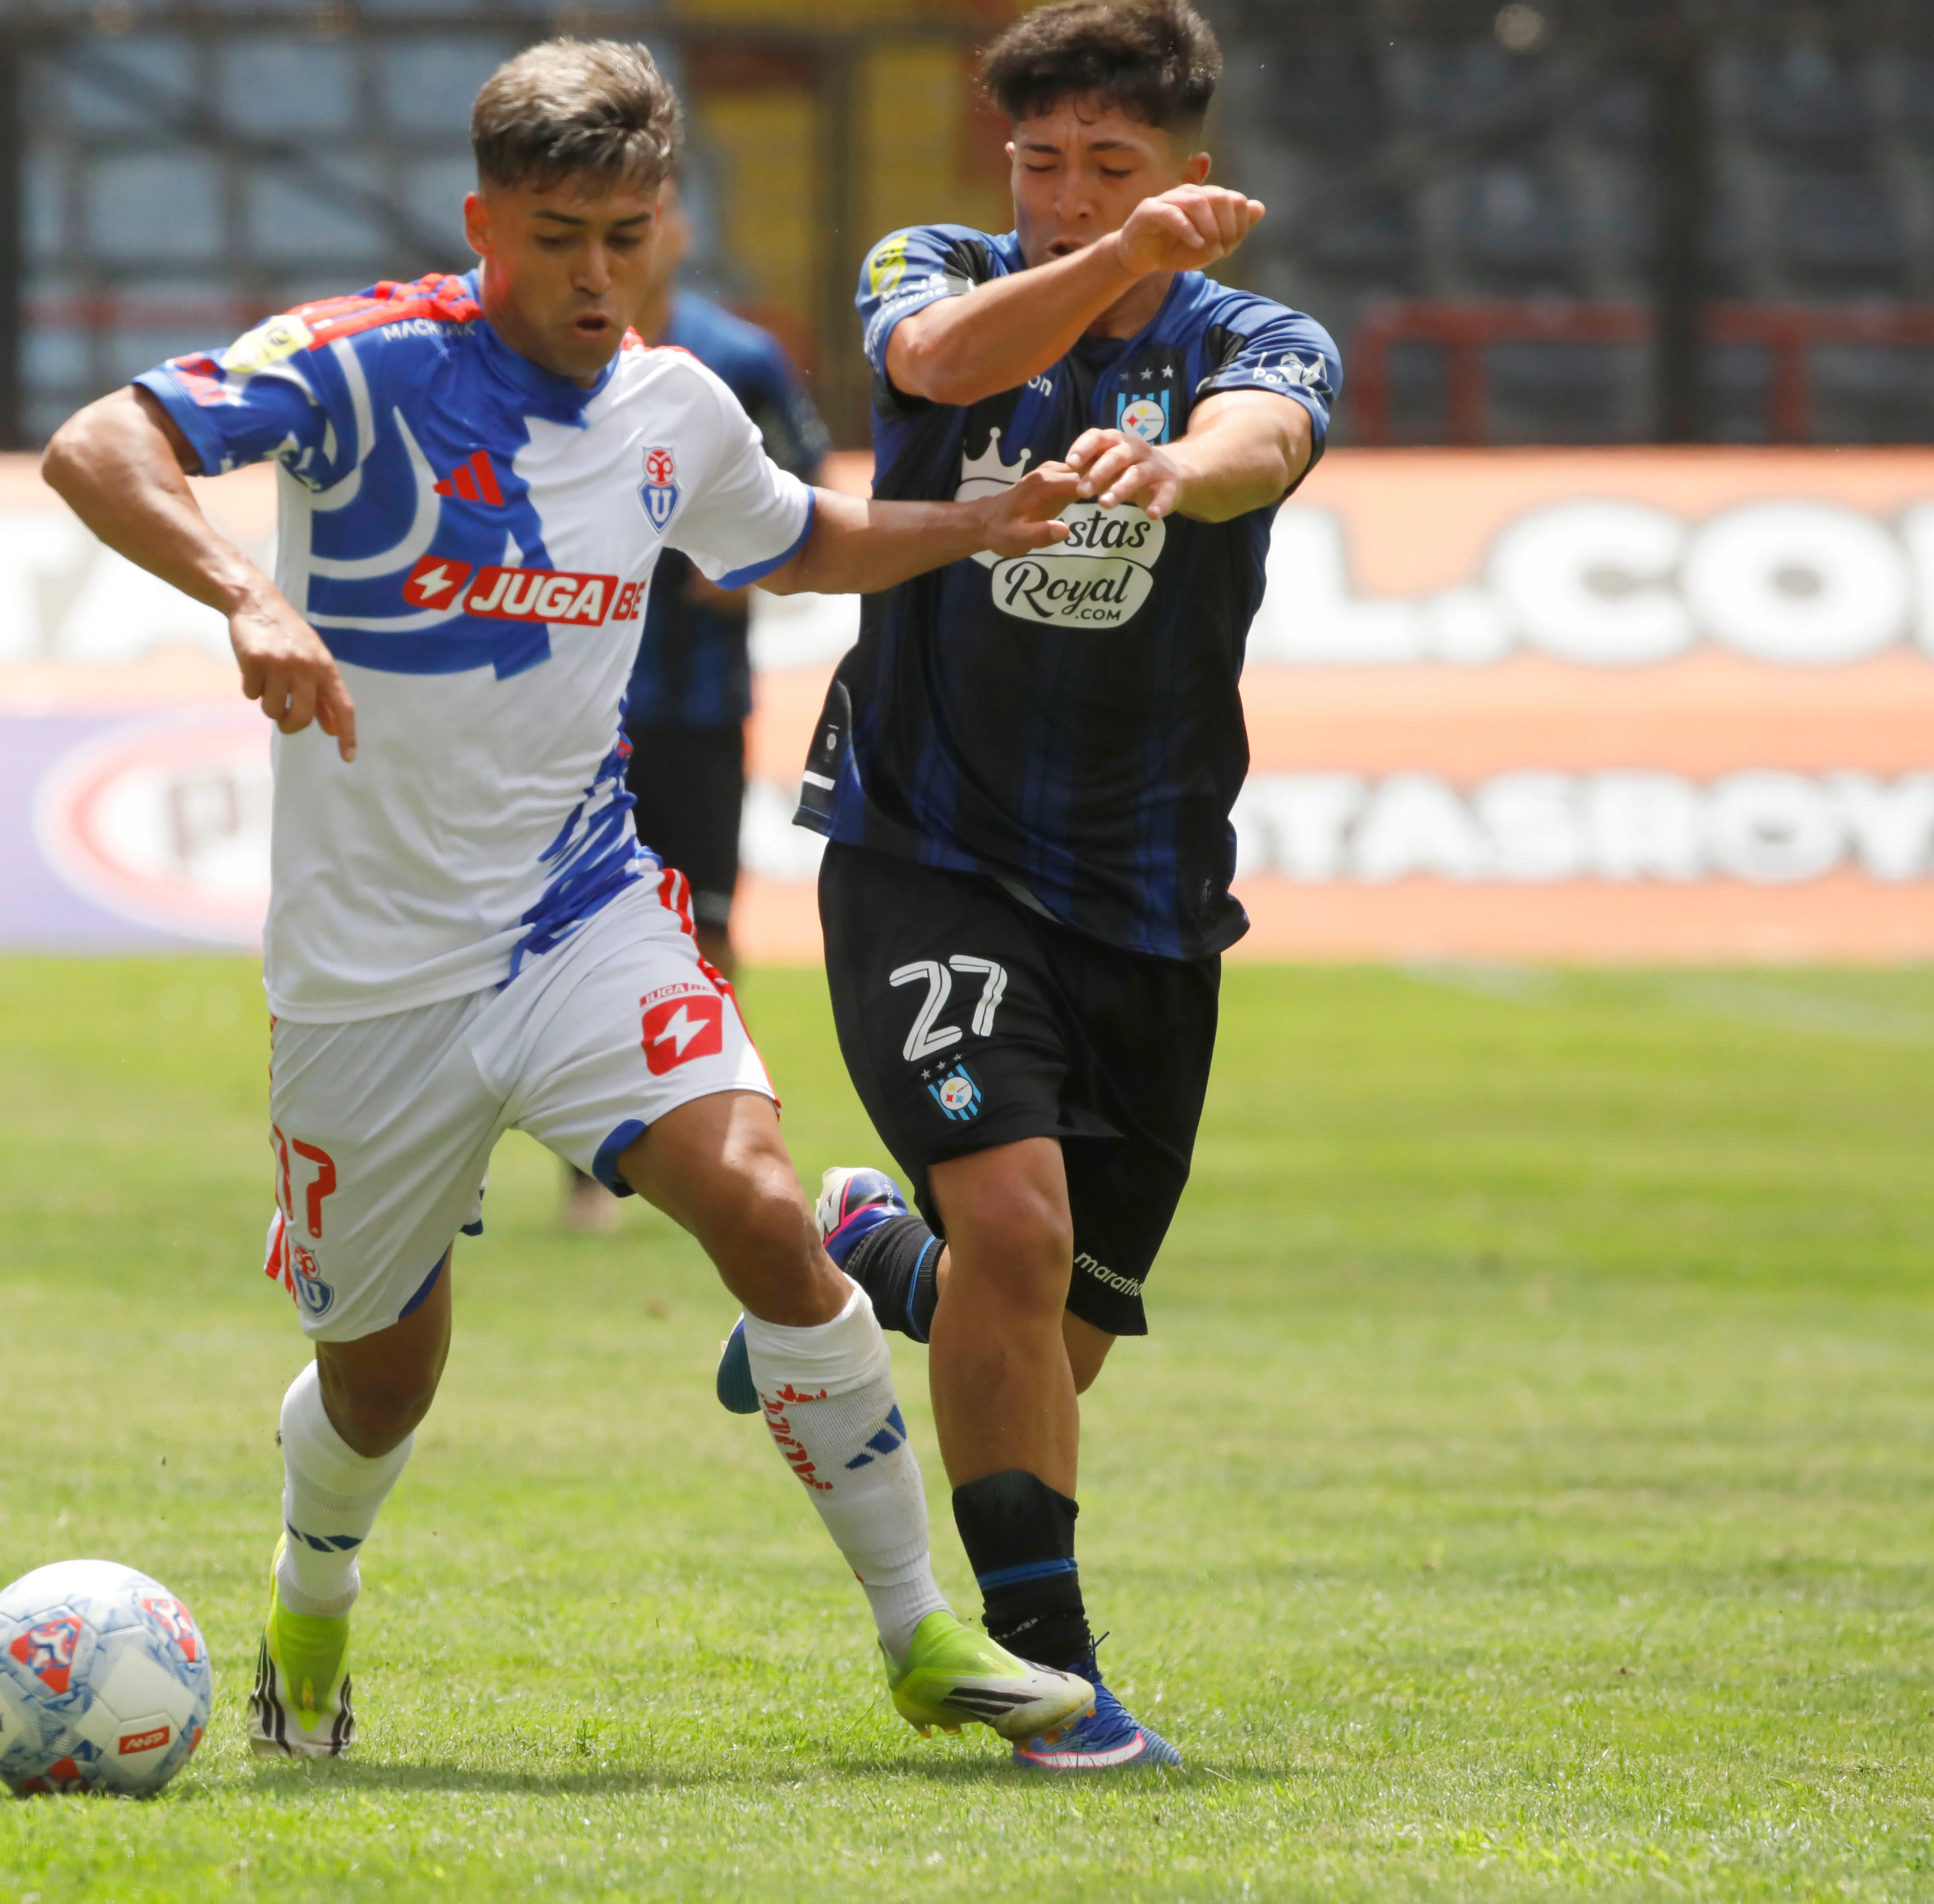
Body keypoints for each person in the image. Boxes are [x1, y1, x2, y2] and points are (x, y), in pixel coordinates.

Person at [42, 38, 1103, 1761]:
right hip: (368, 978)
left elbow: (788, 539)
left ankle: (925, 1639)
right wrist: (247, 594)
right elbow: (102, 444)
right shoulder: (361, 362)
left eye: (625, 231)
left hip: (580, 914)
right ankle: (311, 1612)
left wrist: (975, 527)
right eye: (557, 236)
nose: (595, 274)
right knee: (382, 1377)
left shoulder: (679, 407)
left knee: (765, 1209)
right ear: (484, 224)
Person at [717, 0, 1341, 1772]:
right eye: (1042, 161)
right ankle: (1047, 1675)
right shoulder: (937, 267)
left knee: (1051, 1331)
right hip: (928, 847)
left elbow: (1262, 444)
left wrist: (1176, 465)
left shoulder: (1256, 333)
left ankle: (861, 1269)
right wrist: (1106, 262)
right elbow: (932, 370)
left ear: (1195, 175)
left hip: (1149, 890)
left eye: (1115, 170)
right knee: (1019, 1230)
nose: (1068, 196)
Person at [561, 176, 832, 1235]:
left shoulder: (739, 359)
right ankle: (587, 1167)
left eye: (653, 215)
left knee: (708, 931)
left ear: (678, 229)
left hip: (702, 700)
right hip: (580, 710)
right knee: (573, 931)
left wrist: (740, 570)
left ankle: (714, 1147)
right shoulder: (556, 352)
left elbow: (806, 489)